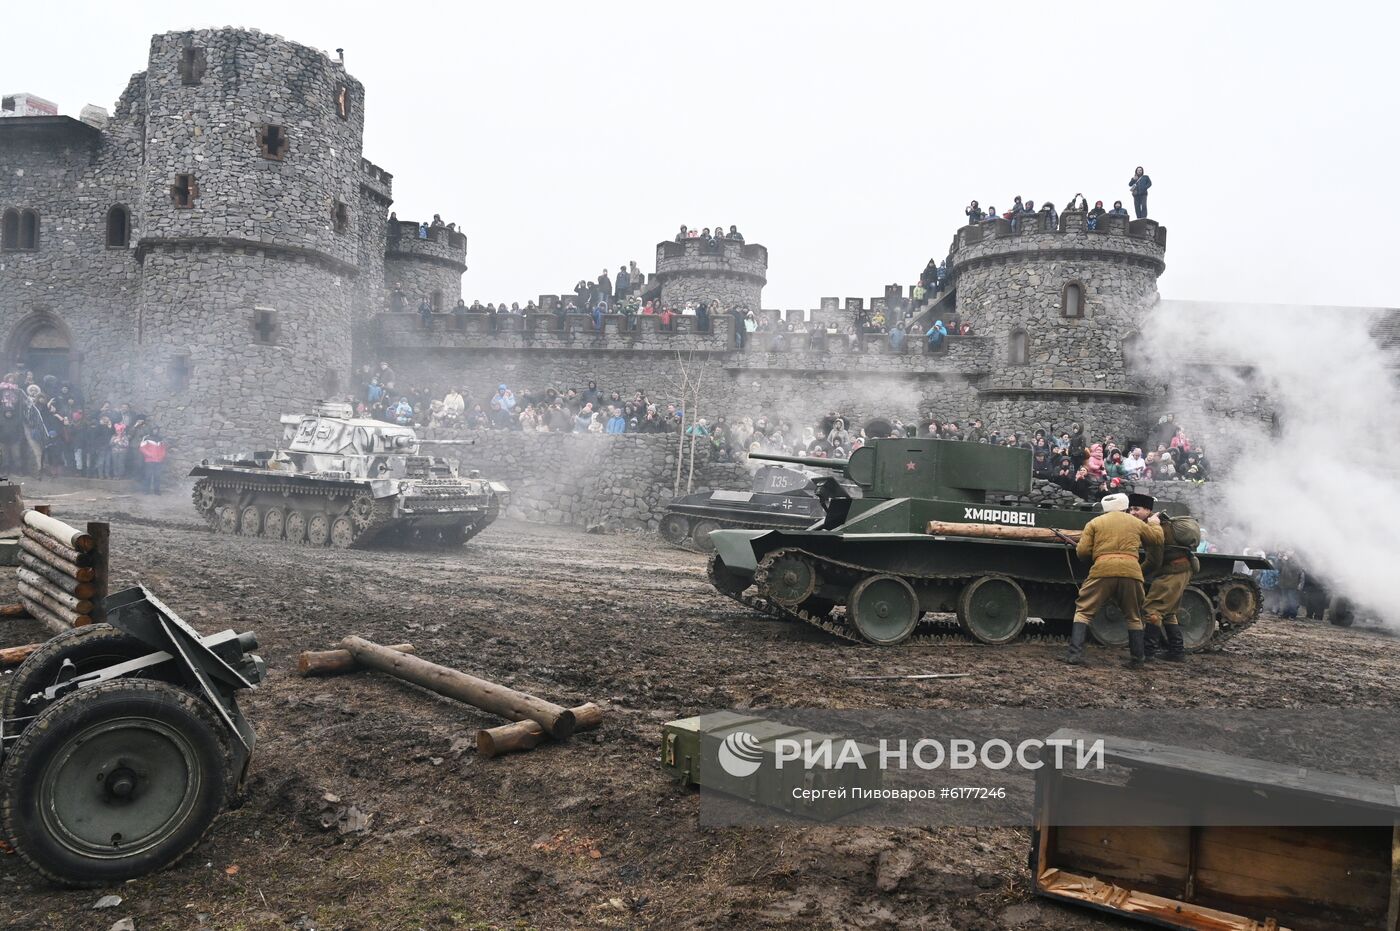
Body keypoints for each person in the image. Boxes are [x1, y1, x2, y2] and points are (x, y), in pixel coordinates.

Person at [1064, 492, 1164, 666]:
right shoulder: (1135, 522)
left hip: (1102, 569)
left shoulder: (1094, 523)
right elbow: (1156, 539)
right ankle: (1137, 659)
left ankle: (1074, 655)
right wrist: (1155, 524)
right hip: (1131, 571)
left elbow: (1082, 552)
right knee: (1133, 616)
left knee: (1083, 611)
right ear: (1125, 507)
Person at [1139, 495, 1199, 662]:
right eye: (1131, 509)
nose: (1133, 512)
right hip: (1180, 569)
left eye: (1137, 509)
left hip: (1172, 571)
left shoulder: (1157, 528)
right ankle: (1177, 651)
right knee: (1169, 612)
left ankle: (1148, 653)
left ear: (1148, 511)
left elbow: (1154, 560)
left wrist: (1137, 572)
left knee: (1152, 609)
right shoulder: (1162, 523)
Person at [138, 428, 168, 494]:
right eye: (154, 429)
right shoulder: (147, 438)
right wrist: (149, 454)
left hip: (158, 461)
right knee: (148, 475)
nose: (155, 431)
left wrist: (162, 456)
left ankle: (157, 491)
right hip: (149, 460)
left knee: (157, 476)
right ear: (151, 430)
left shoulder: (160, 439)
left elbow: (163, 449)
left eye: (156, 430)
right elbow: (142, 448)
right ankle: (146, 490)